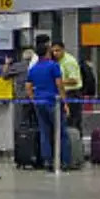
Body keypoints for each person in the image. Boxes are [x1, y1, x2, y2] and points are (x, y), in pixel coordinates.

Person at [26, 36, 72, 172]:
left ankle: (47, 161)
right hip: (53, 102)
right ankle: (64, 161)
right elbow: (59, 84)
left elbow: (28, 87)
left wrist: (34, 99)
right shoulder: (53, 66)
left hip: (39, 102)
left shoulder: (33, 68)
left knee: (44, 133)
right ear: (47, 52)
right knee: (61, 132)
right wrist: (65, 102)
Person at [52, 41, 83, 131]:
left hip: (72, 93)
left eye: (57, 51)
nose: (55, 53)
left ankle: (75, 141)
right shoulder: (57, 61)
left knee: (73, 121)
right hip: (62, 93)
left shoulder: (69, 61)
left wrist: (58, 82)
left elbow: (74, 80)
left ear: (63, 50)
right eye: (53, 51)